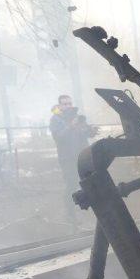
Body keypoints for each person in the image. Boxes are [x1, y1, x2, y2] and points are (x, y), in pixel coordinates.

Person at [49, 94, 93, 226]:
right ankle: (70, 214)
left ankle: (90, 211)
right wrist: (70, 127)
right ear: (60, 106)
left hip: (82, 156)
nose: (68, 106)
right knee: (71, 185)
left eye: (69, 103)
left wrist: (90, 130)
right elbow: (59, 137)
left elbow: (84, 133)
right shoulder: (55, 119)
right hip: (67, 158)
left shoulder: (77, 117)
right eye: (65, 104)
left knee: (89, 182)